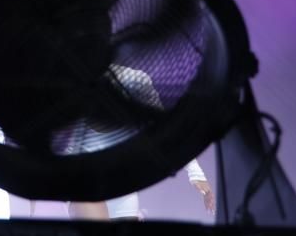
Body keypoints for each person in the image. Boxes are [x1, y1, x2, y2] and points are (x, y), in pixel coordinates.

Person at [66, 64, 215, 221]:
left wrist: (196, 174)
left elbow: (166, 127)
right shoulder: (66, 85)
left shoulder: (134, 80)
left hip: (123, 189)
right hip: (83, 183)